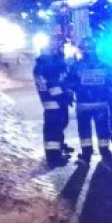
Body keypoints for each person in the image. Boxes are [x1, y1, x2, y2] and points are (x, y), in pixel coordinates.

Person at [65, 37, 112, 161]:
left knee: (84, 129)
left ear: (82, 50)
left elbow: (70, 83)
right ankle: (105, 151)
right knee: (102, 127)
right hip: (101, 103)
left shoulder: (76, 66)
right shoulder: (104, 65)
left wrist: (70, 95)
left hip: (84, 104)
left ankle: (87, 153)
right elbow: (111, 83)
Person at [33, 35, 73, 167]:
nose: (61, 48)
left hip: (56, 100)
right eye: (59, 45)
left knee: (60, 124)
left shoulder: (51, 62)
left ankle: (59, 147)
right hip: (53, 101)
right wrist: (63, 95)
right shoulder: (46, 65)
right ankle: (53, 157)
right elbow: (52, 85)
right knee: (53, 128)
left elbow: (61, 79)